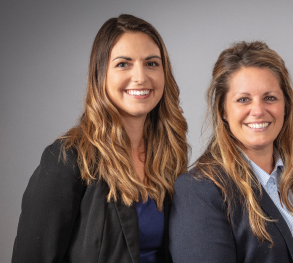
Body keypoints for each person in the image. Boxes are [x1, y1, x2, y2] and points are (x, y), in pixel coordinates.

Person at [12, 14, 188, 263]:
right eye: (123, 64)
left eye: (151, 63)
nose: (140, 77)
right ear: (100, 74)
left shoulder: (170, 155)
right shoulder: (67, 159)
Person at [169, 41, 293, 263]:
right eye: (243, 99)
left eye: (270, 98)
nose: (258, 111)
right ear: (223, 110)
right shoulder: (199, 190)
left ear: (286, 105)